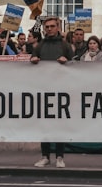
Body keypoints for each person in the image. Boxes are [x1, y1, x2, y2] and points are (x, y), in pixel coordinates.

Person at [30, 16, 73, 168]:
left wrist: (67, 61)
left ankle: (60, 157)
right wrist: (33, 59)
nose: (49, 29)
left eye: (52, 26)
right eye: (47, 26)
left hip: (61, 90)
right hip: (44, 90)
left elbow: (74, 66)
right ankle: (45, 156)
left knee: (59, 125)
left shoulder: (65, 45)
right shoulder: (39, 45)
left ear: (58, 27)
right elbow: (32, 59)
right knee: (45, 125)